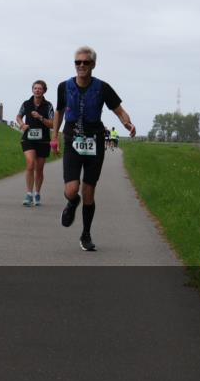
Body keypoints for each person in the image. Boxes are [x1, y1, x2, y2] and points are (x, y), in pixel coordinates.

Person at [51, 46, 136, 251]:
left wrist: (128, 123)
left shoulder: (102, 88)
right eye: (77, 62)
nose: (81, 66)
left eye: (85, 62)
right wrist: (54, 137)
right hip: (72, 140)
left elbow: (119, 110)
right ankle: (72, 202)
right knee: (72, 189)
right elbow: (59, 112)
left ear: (93, 65)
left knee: (89, 192)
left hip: (94, 142)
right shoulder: (64, 87)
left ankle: (86, 234)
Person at [15, 80, 55, 207]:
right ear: (32, 90)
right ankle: (28, 194)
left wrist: (40, 117)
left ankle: (37, 193)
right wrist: (22, 125)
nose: (37, 90)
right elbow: (18, 116)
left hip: (43, 140)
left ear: (44, 91)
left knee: (39, 169)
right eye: (35, 88)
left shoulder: (48, 106)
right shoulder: (26, 104)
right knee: (30, 164)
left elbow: (52, 123)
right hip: (28, 139)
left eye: (40, 88)